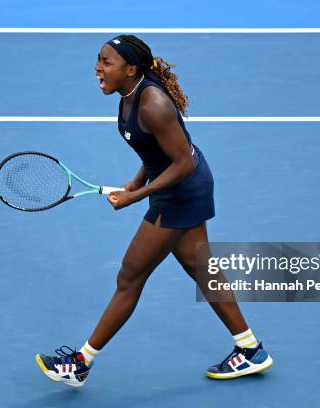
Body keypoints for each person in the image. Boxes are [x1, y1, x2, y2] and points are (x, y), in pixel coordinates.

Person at [35, 35, 273, 387]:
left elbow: (183, 162)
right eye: (97, 59)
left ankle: (80, 363)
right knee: (201, 268)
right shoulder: (129, 96)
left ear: (131, 70)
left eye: (106, 62)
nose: (98, 68)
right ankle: (251, 349)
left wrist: (137, 196)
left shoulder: (152, 105)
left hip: (181, 193)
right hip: (176, 187)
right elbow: (154, 154)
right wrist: (134, 184)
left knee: (130, 276)